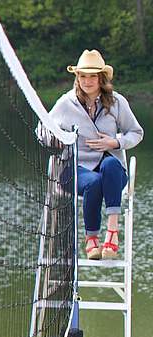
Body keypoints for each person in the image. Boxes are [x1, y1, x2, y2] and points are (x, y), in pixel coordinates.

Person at [47, 49, 143, 260]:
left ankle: (112, 232)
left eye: (92, 76)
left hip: (112, 173)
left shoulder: (117, 102)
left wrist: (115, 142)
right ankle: (92, 239)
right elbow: (42, 131)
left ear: (101, 77)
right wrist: (61, 139)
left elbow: (136, 133)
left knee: (110, 166)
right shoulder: (66, 103)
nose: (87, 81)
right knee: (93, 181)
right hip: (75, 170)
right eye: (83, 75)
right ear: (77, 77)